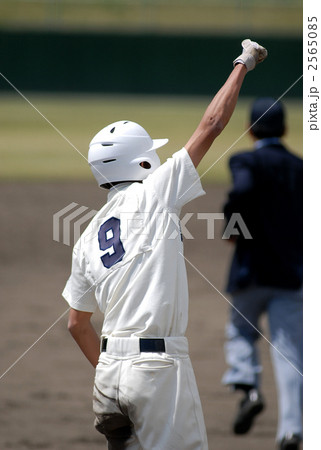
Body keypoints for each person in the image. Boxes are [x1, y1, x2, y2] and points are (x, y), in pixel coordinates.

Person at [62, 39, 267, 449]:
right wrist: (244, 62)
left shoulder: (85, 236)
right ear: (141, 163)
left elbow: (76, 323)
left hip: (108, 377)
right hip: (156, 370)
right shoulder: (154, 192)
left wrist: (112, 373)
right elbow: (212, 125)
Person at [221, 97, 303, 450]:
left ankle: (249, 389)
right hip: (292, 275)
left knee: (240, 329)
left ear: (250, 130)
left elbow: (241, 190)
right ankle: (291, 430)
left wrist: (232, 225)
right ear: (285, 129)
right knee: (289, 352)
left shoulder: (245, 160)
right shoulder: (302, 167)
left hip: (251, 271)